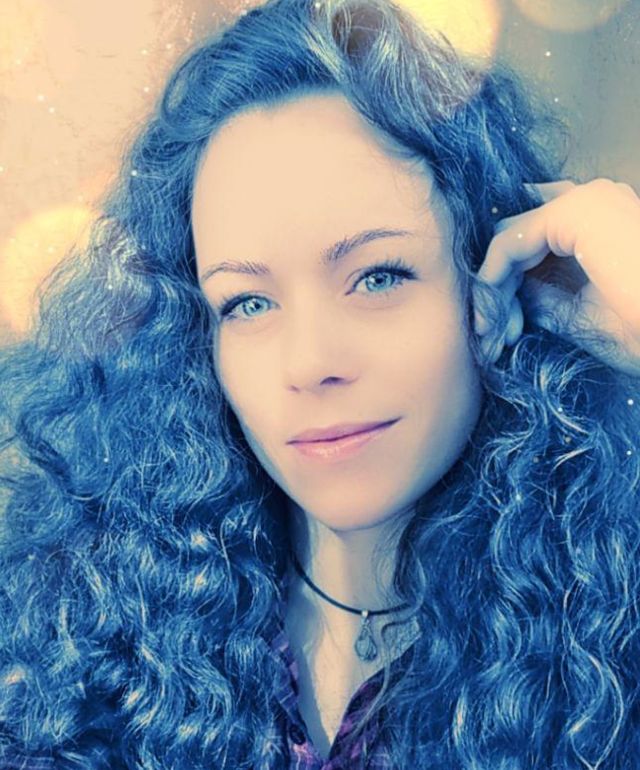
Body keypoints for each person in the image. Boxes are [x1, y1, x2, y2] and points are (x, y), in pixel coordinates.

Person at [1, 0, 639, 767]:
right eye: (248, 302)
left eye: (377, 277)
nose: (309, 362)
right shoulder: (87, 634)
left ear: (491, 289)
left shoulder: (615, 624)